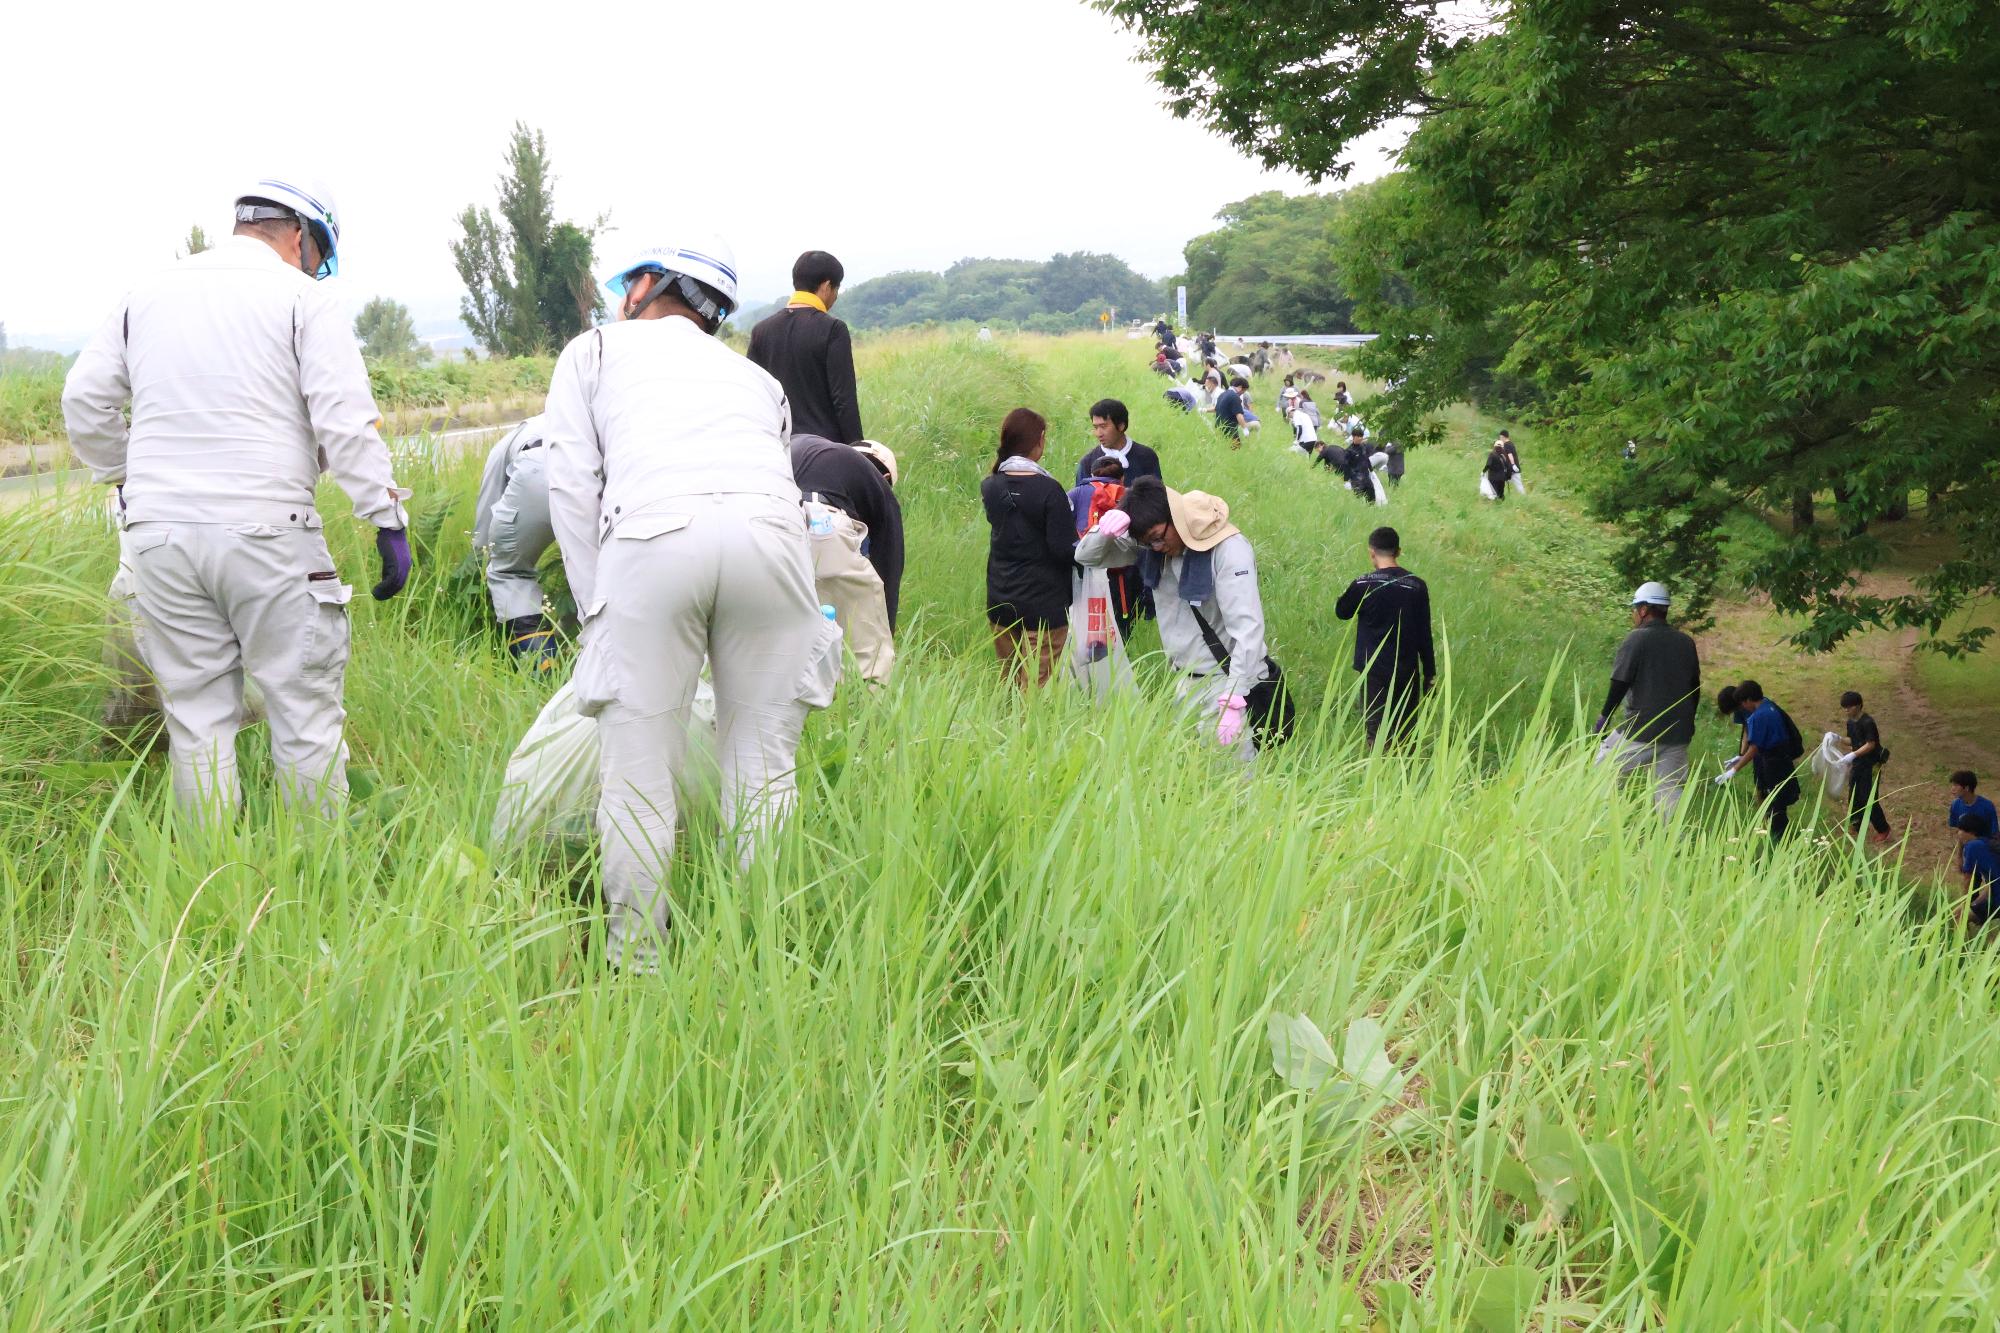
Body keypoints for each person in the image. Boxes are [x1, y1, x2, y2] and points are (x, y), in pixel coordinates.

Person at [61, 173, 411, 818]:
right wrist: (384, 516)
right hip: (269, 529)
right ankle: (315, 873)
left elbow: (84, 400)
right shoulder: (302, 297)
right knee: (302, 709)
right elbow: (343, 418)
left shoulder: (146, 292)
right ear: (302, 237)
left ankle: (210, 880)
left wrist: (128, 476)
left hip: (158, 537)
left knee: (195, 716)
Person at [546, 235, 835, 973]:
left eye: (626, 286)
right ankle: (760, 954)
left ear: (649, 286)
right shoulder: (752, 380)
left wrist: (595, 614)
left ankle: (637, 961)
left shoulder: (595, 353)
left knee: (639, 771)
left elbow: (572, 485)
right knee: (764, 769)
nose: (618, 300)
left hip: (651, 538)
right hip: (773, 547)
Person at [1078, 477, 1273, 761]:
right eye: (1148, 542)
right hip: (1183, 679)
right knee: (1198, 776)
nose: (1156, 547)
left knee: (1236, 783)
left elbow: (1248, 628)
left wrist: (1233, 700)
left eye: (1158, 536)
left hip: (1225, 681)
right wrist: (1103, 531)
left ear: (1175, 518)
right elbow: (1086, 557)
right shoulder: (1153, 548)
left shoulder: (1228, 549)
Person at [792, 434, 904, 685]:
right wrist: (884, 629)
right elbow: (888, 568)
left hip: (763, 525)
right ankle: (872, 716)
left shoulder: (805, 448)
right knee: (872, 652)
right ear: (886, 478)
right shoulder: (879, 487)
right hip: (824, 523)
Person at [980, 408, 1075, 686]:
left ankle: (1004, 728)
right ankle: (1030, 731)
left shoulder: (991, 486)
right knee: (1036, 687)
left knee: (1008, 682)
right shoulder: (1049, 490)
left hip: (1001, 599)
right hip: (1043, 607)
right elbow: (1062, 549)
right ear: (1040, 439)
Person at [1593, 582, 1701, 818]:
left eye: (1635, 609)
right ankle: (1675, 848)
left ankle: (1598, 826)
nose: (1634, 615)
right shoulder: (1686, 643)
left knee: (1603, 771)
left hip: (1643, 727)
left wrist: (1604, 717)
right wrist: (1688, 723)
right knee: (1670, 795)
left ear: (1643, 610)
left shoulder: (1637, 639)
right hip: (1679, 732)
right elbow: (1694, 688)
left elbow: (1619, 682)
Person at [1334, 527, 1436, 749]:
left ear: (1371, 552)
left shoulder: (1363, 584)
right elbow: (1424, 634)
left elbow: (1342, 612)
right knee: (1406, 730)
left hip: (1373, 670)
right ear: (1398, 551)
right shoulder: (1417, 586)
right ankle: (1404, 774)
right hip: (1407, 670)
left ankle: (1378, 774)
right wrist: (1430, 673)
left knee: (1376, 730)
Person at [747, 250, 863, 444]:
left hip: (777, 448)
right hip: (825, 449)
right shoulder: (833, 329)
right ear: (826, 286)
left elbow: (754, 395)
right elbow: (844, 401)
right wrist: (858, 451)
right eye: (836, 288)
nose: (835, 296)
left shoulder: (761, 331)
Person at [472, 414, 559, 667]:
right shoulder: (587, 408)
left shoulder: (507, 443)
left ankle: (541, 673)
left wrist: (481, 559)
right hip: (609, 470)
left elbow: (485, 530)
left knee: (510, 573)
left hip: (537, 466)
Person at [1715, 680, 1805, 841]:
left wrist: (1734, 770)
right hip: (1778, 758)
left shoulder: (1759, 716)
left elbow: (1755, 746)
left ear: (1747, 700)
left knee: (1774, 800)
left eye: (1742, 703)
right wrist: (1741, 755)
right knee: (1773, 797)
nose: (1742, 708)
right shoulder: (1767, 706)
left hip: (1774, 760)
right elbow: (1750, 736)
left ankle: (1779, 838)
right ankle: (1772, 830)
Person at [1835, 691, 1892, 842]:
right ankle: (1856, 824)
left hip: (1871, 764)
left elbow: (1870, 744)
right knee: (1854, 793)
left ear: (1859, 705)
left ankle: (1883, 829)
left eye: (1850, 707)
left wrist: (1853, 755)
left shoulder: (1868, 722)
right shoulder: (1850, 722)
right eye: (1844, 707)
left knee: (1868, 797)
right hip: (1858, 764)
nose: (1847, 710)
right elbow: (1852, 740)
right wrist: (1838, 738)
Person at [1955, 812, 2000, 928]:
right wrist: (1974, 903)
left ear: (1971, 832)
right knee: (1973, 914)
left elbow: (1968, 880)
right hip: (1996, 896)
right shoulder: (1989, 845)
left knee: (1960, 917)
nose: (1958, 834)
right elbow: (1991, 885)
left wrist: (1965, 903)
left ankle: (1960, 946)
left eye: (1960, 830)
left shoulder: (1972, 846)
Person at [1948, 771, 2000, 853]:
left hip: (1987, 849)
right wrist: (1959, 856)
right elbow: (1959, 833)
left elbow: (1995, 835)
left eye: (1956, 785)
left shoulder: (1987, 806)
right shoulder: (1955, 805)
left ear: (1967, 788)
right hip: (1967, 850)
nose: (1952, 789)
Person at [1214, 376, 1251, 446]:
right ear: (1240, 387)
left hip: (1218, 427)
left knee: (1223, 448)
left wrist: (1205, 410)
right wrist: (1245, 429)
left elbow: (1216, 409)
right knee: (1236, 449)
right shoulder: (1234, 397)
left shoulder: (1223, 394)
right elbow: (1239, 415)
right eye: (1244, 391)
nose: (1242, 394)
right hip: (1229, 429)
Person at [1496, 430, 1526, 494]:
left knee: (1519, 485)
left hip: (1512, 469)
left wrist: (1513, 465)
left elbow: (1510, 455)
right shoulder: (1511, 443)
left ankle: (1524, 498)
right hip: (1511, 469)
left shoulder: (1506, 445)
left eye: (1500, 437)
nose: (1500, 439)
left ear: (1503, 437)